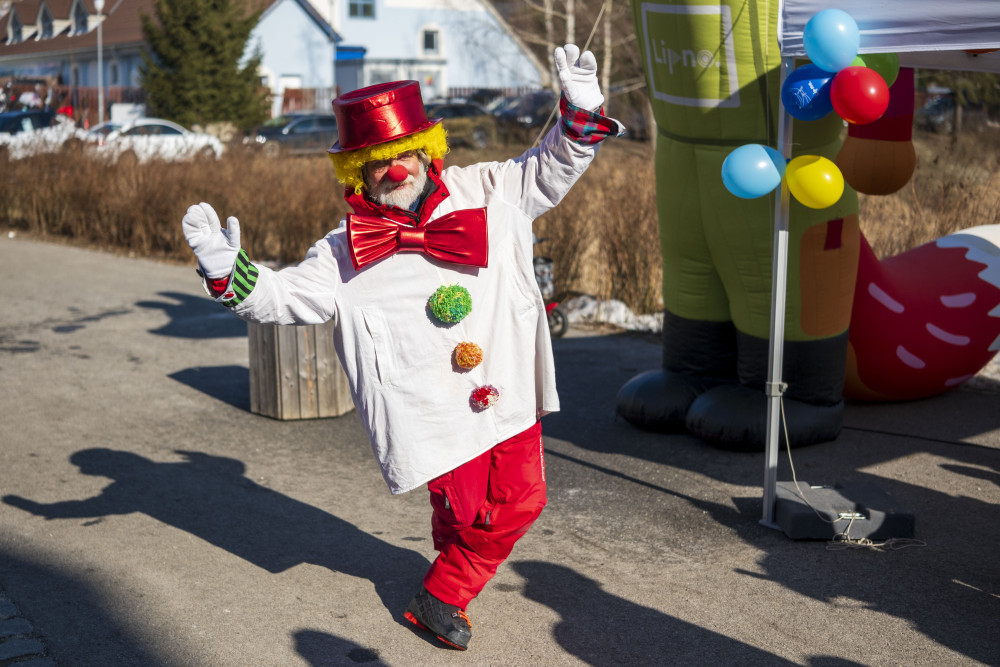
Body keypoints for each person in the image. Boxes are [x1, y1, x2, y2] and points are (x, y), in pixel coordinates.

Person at [181, 44, 622, 650]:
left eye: (406, 154)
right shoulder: (342, 251)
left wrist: (581, 112)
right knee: (466, 512)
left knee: (521, 501)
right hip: (434, 411)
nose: (397, 170)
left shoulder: (488, 189)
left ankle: (441, 595)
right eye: (379, 162)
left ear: (428, 151)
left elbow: (551, 166)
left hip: (509, 385)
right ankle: (452, 561)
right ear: (356, 173)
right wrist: (229, 273)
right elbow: (283, 298)